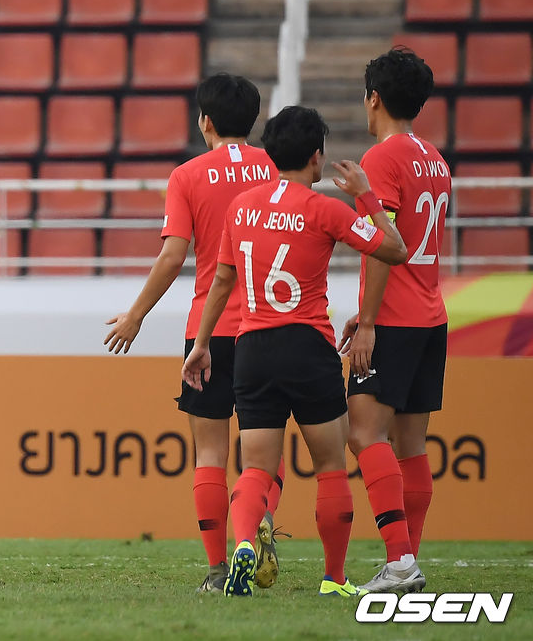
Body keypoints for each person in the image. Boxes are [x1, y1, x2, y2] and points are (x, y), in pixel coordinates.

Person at [182, 106, 407, 597]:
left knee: (256, 467)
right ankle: (334, 578)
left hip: (252, 346)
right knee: (330, 465)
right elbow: (394, 249)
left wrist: (201, 345)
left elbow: (222, 281)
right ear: (317, 158)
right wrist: (366, 196)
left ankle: (243, 545)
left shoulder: (241, 206)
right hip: (308, 345)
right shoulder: (325, 208)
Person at [104, 74, 287, 593]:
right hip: (270, 326)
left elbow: (172, 255)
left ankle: (215, 570)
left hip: (209, 330)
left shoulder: (187, 175)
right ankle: (257, 528)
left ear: (204, 120)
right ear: (252, 120)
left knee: (209, 455)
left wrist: (136, 314)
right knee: (262, 459)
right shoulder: (277, 169)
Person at [338, 48, 451, 593]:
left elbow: (385, 246)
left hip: (396, 321)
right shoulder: (435, 157)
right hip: (430, 316)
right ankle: (407, 561)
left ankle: (401, 562)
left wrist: (368, 324)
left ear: (374, 97)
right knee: (411, 446)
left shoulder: (380, 160)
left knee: (364, 434)